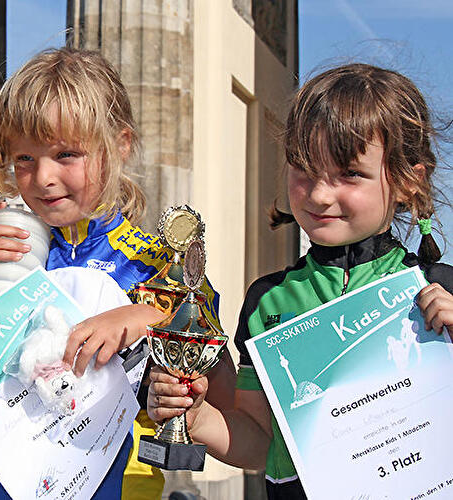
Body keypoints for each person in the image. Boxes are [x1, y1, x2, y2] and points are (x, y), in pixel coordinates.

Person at [147, 63, 453, 499]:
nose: (320, 194)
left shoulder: (440, 289)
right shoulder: (266, 300)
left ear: (408, 181)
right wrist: (198, 419)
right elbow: (260, 443)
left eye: (349, 174)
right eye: (304, 169)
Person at [0, 47, 222, 499]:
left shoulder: (154, 263)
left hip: (122, 483)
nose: (43, 177)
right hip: (13, 484)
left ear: (120, 145)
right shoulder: (2, 246)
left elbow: (205, 348)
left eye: (66, 154)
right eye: (24, 159)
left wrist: (140, 316)